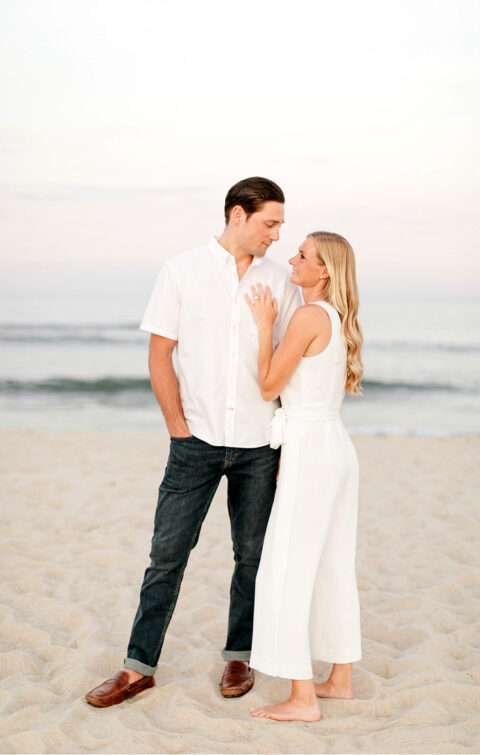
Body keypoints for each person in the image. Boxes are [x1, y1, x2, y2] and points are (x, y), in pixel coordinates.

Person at [85, 177, 302, 707]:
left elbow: (291, 365)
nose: (276, 235)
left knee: (250, 556)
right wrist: (177, 426)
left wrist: (286, 442)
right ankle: (138, 667)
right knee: (166, 556)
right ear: (237, 215)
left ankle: (239, 656)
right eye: (269, 223)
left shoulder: (282, 281)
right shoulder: (180, 271)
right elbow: (161, 354)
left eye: (280, 225)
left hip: (259, 445)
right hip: (195, 441)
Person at [243, 231, 363, 723]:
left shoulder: (308, 315)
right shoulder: (334, 317)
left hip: (311, 448)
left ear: (324, 271)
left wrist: (263, 325)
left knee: (289, 565)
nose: (291, 259)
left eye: (303, 255)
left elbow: (270, 383)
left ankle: (302, 699)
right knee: (334, 563)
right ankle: (339, 680)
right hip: (335, 444)